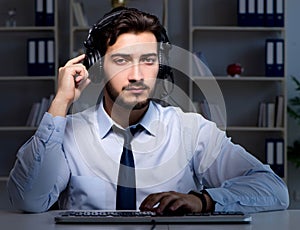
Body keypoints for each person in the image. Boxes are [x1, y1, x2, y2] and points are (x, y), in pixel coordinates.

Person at [7, 7, 289, 214]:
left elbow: (274, 190)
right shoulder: (68, 133)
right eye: (121, 61)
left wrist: (204, 200)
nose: (137, 75)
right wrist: (60, 103)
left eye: (148, 60)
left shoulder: (191, 130)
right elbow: (28, 200)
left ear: (161, 68)